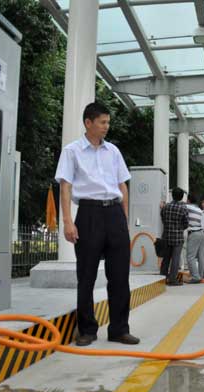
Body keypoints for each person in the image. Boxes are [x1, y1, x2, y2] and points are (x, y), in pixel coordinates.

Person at [55, 102, 139, 346]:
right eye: (102, 122)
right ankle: (88, 330)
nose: (106, 127)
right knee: (87, 275)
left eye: (108, 122)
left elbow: (123, 185)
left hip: (114, 214)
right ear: (88, 123)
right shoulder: (72, 151)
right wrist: (68, 222)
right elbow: (65, 186)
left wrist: (123, 219)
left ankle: (119, 329)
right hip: (88, 214)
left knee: (120, 276)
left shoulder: (113, 151)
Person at [160, 188, 189, 286]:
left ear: (172, 195)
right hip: (177, 237)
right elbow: (186, 223)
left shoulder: (166, 207)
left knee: (166, 258)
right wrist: (179, 228)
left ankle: (162, 277)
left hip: (166, 235)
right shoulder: (183, 208)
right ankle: (172, 279)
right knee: (175, 258)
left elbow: (162, 218)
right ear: (181, 197)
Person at [185, 193, 204, 284]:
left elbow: (177, 206)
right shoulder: (199, 209)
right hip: (201, 233)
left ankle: (195, 277)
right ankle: (200, 276)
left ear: (188, 200)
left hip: (194, 233)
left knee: (190, 257)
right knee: (201, 256)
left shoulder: (188, 207)